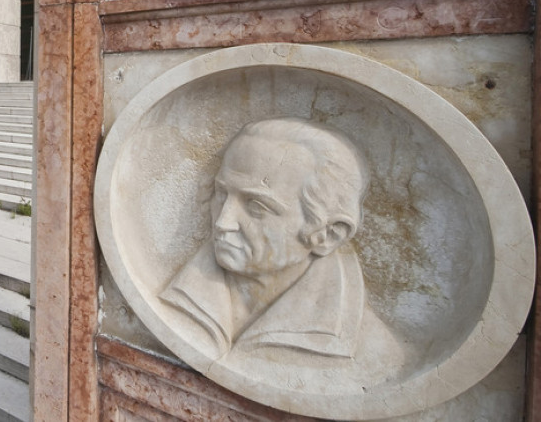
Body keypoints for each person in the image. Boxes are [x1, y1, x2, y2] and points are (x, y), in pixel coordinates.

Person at [161, 118, 401, 368]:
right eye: (222, 194)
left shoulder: (373, 359)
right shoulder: (176, 293)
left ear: (328, 234)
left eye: (256, 206)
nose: (223, 222)